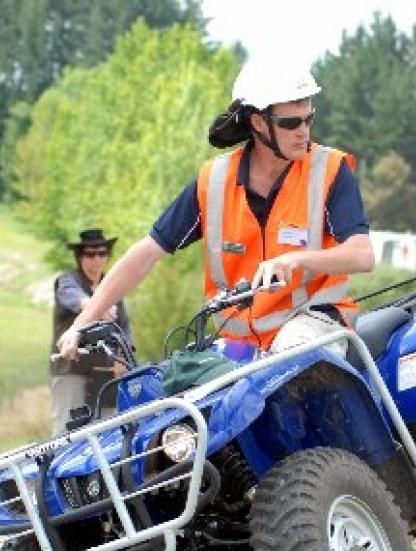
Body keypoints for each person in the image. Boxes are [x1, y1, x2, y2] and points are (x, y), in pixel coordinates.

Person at [57, 60, 374, 363]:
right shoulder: (214, 181)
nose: (304, 131)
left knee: (292, 363)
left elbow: (362, 256)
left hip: (313, 324)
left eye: (308, 119)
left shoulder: (329, 169)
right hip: (240, 346)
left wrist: (295, 258)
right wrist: (83, 321)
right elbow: (145, 254)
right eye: (291, 123)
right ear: (259, 123)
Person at [51, 228, 132, 435]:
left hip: (105, 374)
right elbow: (74, 299)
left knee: (109, 431)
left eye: (102, 253)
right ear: (80, 257)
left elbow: (123, 326)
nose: (96, 259)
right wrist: (98, 307)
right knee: (67, 432)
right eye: (90, 254)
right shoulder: (68, 280)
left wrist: (122, 358)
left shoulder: (111, 284)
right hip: (72, 369)